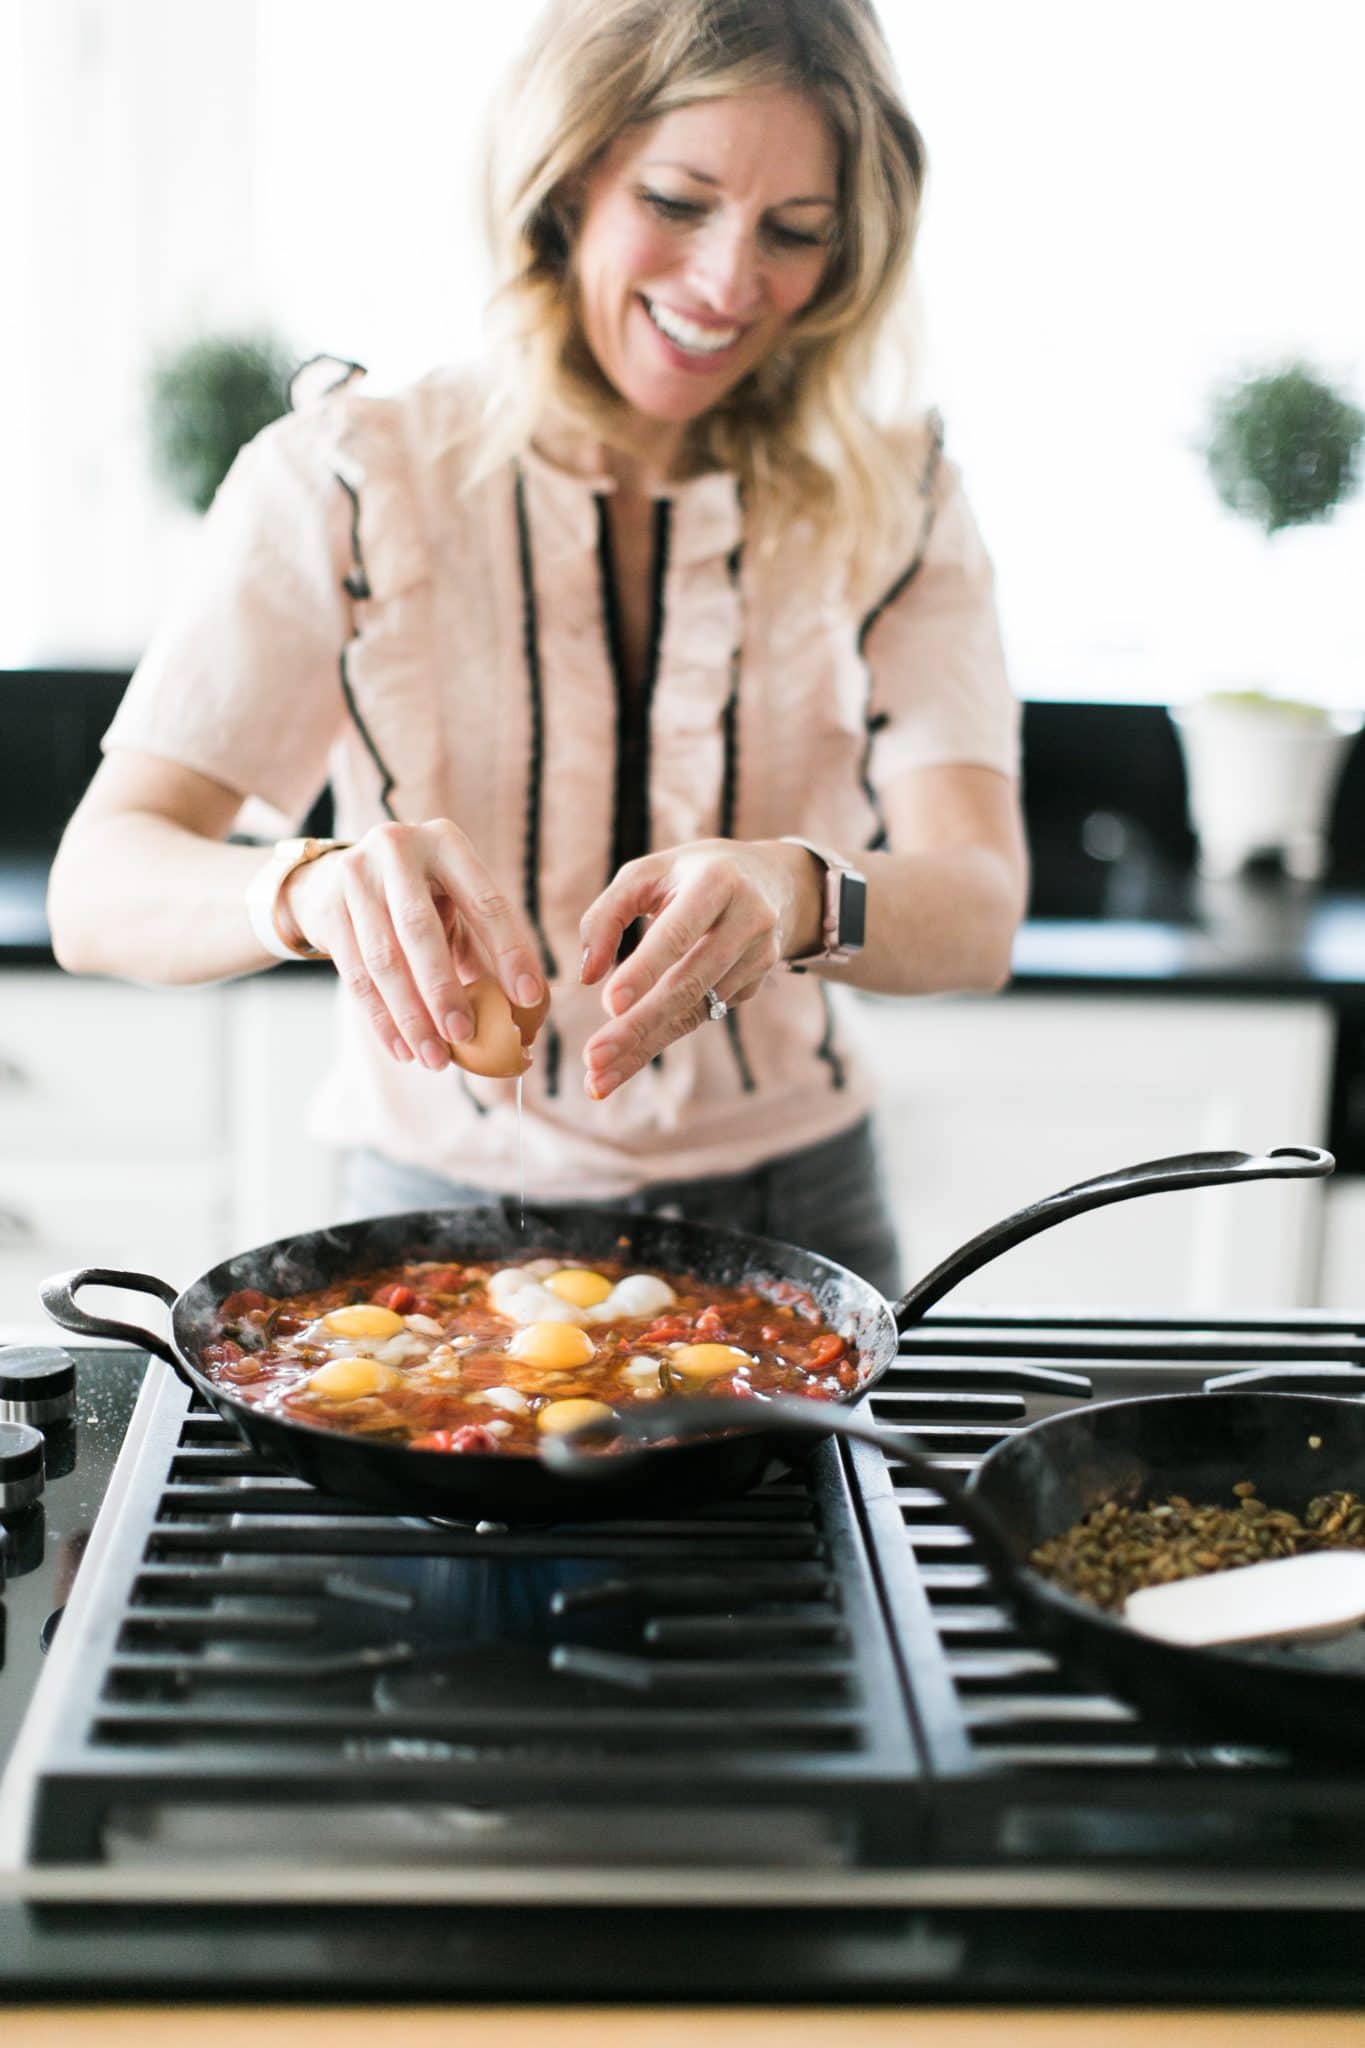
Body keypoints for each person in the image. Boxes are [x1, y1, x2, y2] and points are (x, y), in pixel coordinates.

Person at [47, 0, 1027, 1301]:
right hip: (436, 1207)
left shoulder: (897, 490)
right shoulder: (346, 476)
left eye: (796, 233)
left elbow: (978, 907)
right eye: (677, 202)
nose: (731, 283)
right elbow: (97, 888)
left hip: (800, 1208)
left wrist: (802, 892)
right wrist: (303, 888)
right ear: (564, 183)